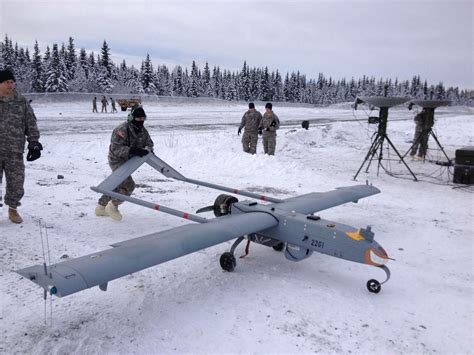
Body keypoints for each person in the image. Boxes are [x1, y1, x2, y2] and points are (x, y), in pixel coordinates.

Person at [95, 106, 154, 221]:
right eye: (138, 119)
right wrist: (132, 150)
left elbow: (149, 143)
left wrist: (147, 149)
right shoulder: (121, 130)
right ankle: (113, 205)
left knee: (117, 184)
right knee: (128, 185)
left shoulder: (143, 131)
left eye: (143, 119)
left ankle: (101, 207)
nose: (141, 121)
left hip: (130, 161)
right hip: (116, 159)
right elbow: (115, 149)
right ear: (132, 118)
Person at [0, 69, 42, 224]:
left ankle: (13, 209)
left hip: (14, 150)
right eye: (7, 82)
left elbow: (30, 122)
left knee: (16, 182)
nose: (10, 85)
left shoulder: (21, 101)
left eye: (12, 82)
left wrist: (34, 142)